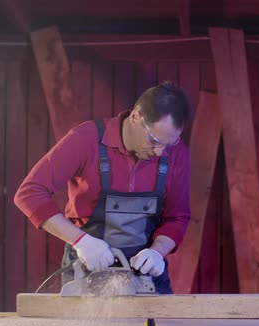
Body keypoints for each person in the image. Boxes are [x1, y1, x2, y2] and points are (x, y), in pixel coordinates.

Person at [14, 81, 191, 294]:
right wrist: (80, 241)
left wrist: (157, 253)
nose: (159, 152)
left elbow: (177, 217)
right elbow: (30, 193)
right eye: (153, 140)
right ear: (136, 117)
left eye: (169, 143)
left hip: (144, 275)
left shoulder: (177, 153)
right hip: (86, 269)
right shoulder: (86, 139)